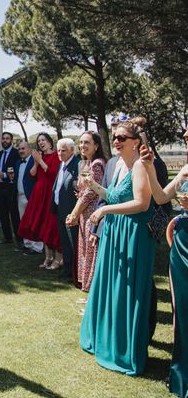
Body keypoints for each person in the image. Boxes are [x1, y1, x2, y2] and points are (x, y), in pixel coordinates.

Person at [79, 117, 155, 376]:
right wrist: (95, 187)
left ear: (136, 142)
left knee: (127, 292)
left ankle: (124, 350)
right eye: (116, 137)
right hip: (115, 234)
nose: (117, 141)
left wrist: (104, 212)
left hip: (132, 235)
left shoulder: (141, 167)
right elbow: (113, 195)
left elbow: (142, 204)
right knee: (110, 287)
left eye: (123, 138)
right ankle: (105, 340)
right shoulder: (121, 165)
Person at [141, 146, 188, 396]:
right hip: (182, 242)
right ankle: (182, 373)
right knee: (181, 310)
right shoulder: (184, 170)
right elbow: (160, 198)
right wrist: (149, 168)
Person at [66, 131, 106, 292]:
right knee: (85, 250)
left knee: (91, 250)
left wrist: (74, 213)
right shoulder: (86, 163)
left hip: (92, 213)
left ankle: (93, 289)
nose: (82, 145)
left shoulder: (97, 164)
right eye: (81, 142)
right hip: (85, 213)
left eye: (87, 142)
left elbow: (91, 193)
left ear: (96, 146)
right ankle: (87, 287)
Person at [18, 133, 61, 269]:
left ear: (49, 142)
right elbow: (32, 174)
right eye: (39, 141)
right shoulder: (39, 157)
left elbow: (53, 173)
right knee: (42, 224)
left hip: (49, 193)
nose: (41, 143)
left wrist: (40, 161)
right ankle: (48, 257)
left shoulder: (56, 156)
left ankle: (58, 259)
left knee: (51, 225)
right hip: (39, 194)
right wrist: (36, 162)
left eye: (43, 140)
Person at [51, 138, 80, 278]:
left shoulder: (78, 165)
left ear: (72, 150)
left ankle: (75, 272)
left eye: (64, 150)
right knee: (65, 242)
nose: (60, 153)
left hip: (71, 211)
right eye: (58, 150)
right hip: (60, 209)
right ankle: (68, 270)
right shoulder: (61, 165)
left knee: (73, 243)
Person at [0, 132, 21, 248]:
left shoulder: (16, 154)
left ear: (11, 140)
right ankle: (7, 237)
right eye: (3, 138)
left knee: (14, 214)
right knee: (2, 214)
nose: (4, 140)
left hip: (10, 187)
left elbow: (16, 171)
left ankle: (19, 239)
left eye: (7, 139)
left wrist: (4, 175)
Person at [13, 142, 37, 253]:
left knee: (33, 221)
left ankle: (36, 246)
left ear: (29, 149)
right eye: (19, 149)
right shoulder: (18, 162)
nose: (21, 151)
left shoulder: (34, 161)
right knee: (24, 221)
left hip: (31, 196)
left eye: (23, 148)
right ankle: (27, 244)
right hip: (20, 196)